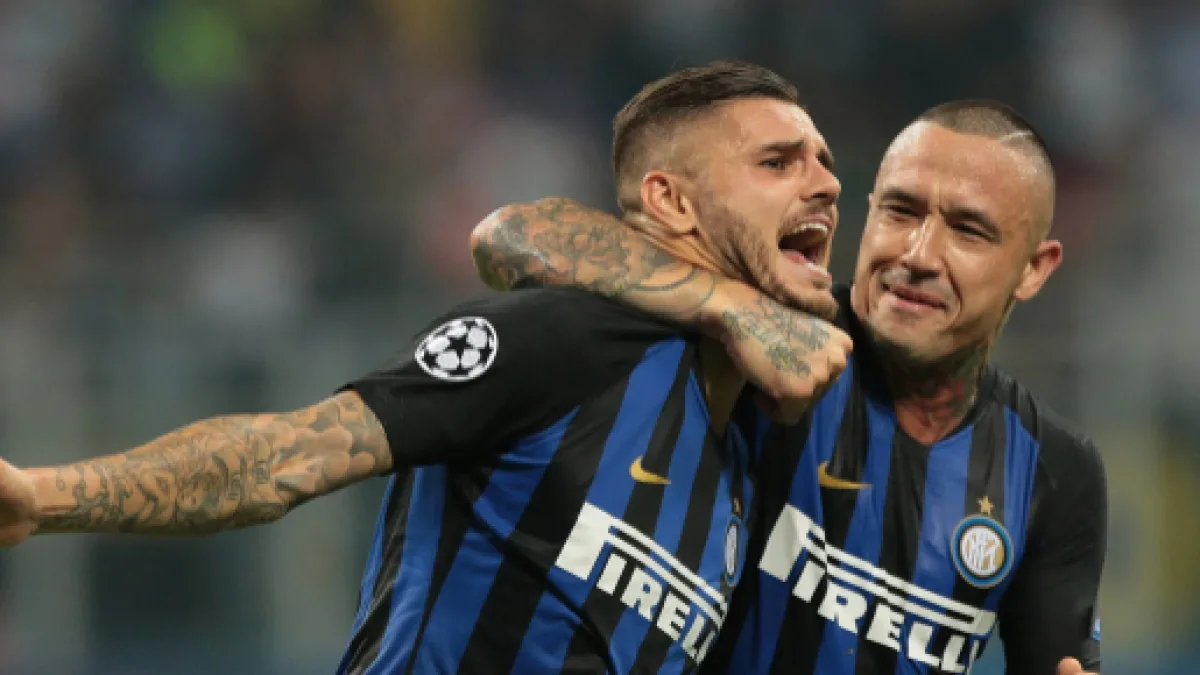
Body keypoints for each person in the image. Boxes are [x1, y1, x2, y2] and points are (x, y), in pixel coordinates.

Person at [0, 62, 852, 674]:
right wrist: (42, 497)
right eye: (777, 162)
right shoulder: (561, 343)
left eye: (823, 161)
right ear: (669, 200)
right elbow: (286, 455)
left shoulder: (749, 440)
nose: (824, 184)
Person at [471, 100, 1107, 675]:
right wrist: (729, 308)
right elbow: (511, 238)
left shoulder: (1054, 471)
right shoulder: (755, 343)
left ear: (1034, 268)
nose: (918, 254)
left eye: (968, 230)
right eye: (901, 210)